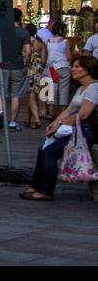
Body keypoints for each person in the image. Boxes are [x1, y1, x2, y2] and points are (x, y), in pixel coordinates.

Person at [20, 54, 98, 201]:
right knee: (42, 149)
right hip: (72, 128)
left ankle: (46, 190)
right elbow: (69, 110)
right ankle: (36, 185)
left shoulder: (94, 88)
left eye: (77, 67)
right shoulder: (82, 88)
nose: (72, 69)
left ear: (87, 70)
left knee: (49, 153)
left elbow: (83, 115)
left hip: (83, 131)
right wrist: (55, 123)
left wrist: (60, 124)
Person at [0, 8, 33, 131]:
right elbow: (28, 51)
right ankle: (12, 122)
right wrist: (26, 64)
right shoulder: (24, 32)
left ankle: (1, 113)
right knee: (16, 94)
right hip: (18, 65)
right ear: (19, 18)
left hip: (2, 65)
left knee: (1, 92)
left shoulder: (1, 31)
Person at [35, 21, 73, 118]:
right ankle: (63, 112)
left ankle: (51, 113)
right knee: (64, 89)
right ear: (61, 30)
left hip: (52, 68)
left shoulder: (48, 41)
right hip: (63, 67)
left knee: (52, 90)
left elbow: (47, 55)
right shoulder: (65, 41)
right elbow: (68, 56)